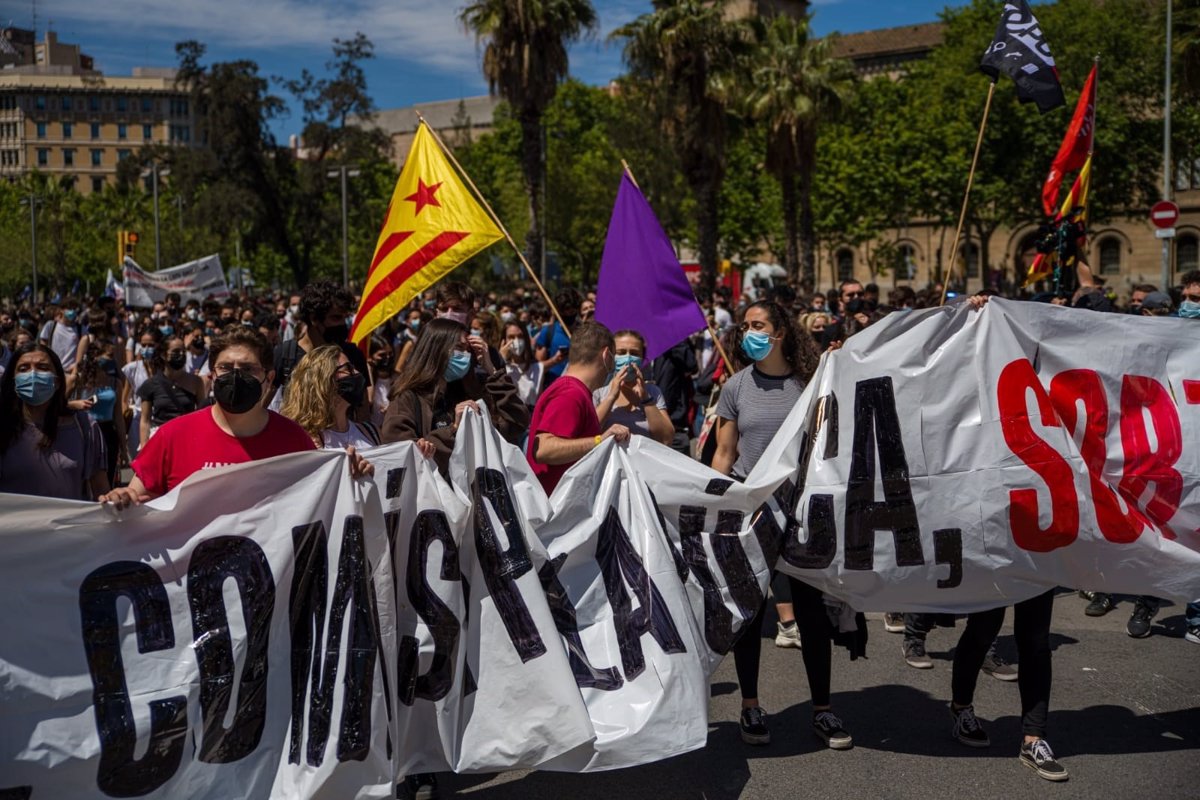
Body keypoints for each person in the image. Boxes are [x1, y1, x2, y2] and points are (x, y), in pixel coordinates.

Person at [710, 301, 853, 750]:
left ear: (780, 333)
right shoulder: (735, 387)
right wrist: (718, 506)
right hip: (751, 514)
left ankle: (823, 709)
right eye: (745, 325)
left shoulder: (810, 383)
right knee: (750, 616)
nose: (748, 332)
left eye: (758, 326)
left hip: (802, 513)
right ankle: (750, 704)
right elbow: (725, 455)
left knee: (811, 614)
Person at [100, 327, 372, 508]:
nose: (236, 375)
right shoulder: (173, 436)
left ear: (269, 378)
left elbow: (318, 504)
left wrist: (354, 480)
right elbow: (138, 495)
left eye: (248, 368)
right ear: (212, 376)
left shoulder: (293, 440)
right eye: (226, 368)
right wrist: (124, 498)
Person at [382, 318, 529, 476]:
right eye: (459, 348)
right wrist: (453, 430)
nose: (465, 355)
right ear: (437, 349)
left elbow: (516, 422)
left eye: (468, 350)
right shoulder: (406, 400)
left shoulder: (465, 393)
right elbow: (403, 459)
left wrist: (492, 370)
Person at [526, 321, 631, 495]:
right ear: (606, 355)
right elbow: (544, 449)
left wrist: (612, 395)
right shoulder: (570, 393)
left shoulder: (576, 391)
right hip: (555, 509)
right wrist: (600, 440)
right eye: (614, 358)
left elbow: (578, 432)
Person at [0, 343, 109, 500]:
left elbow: (101, 489)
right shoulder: (3, 426)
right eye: (23, 369)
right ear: (13, 381)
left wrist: (116, 498)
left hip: (69, 524)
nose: (33, 375)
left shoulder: (85, 426)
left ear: (57, 381)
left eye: (42, 367)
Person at [266, 280, 368, 415]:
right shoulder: (284, 355)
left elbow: (363, 408)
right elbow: (262, 407)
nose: (343, 324)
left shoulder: (352, 355)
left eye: (345, 318)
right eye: (336, 318)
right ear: (314, 318)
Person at [281, 344, 388, 451]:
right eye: (348, 369)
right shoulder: (307, 441)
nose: (357, 373)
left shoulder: (371, 432)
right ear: (324, 381)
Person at [592, 329, 674, 446]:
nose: (628, 358)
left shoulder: (653, 392)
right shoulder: (599, 393)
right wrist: (611, 397)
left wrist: (646, 399)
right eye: (621, 352)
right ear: (611, 355)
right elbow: (589, 435)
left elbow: (666, 439)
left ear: (643, 358)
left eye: (634, 353)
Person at [68, 340, 127, 488]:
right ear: (95, 357)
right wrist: (75, 404)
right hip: (84, 432)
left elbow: (118, 417)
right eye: (109, 355)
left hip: (108, 434)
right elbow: (58, 405)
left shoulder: (115, 383)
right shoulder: (77, 381)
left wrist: (124, 448)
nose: (112, 360)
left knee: (107, 478)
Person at [137, 336, 204, 446]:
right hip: (161, 441)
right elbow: (145, 420)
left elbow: (202, 415)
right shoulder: (150, 384)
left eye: (183, 351)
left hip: (187, 440)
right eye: (176, 351)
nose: (181, 355)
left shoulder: (196, 382)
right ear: (164, 355)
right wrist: (144, 448)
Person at [120, 328, 161, 457]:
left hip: (159, 421)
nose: (146, 348)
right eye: (143, 345)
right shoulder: (132, 368)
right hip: (138, 422)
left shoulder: (163, 369)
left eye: (151, 345)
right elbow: (124, 398)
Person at [534, 288, 580, 388]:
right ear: (558, 311)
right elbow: (537, 368)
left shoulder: (585, 332)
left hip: (577, 387)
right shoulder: (548, 332)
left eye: (572, 311)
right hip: (553, 388)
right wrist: (554, 360)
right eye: (565, 311)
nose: (569, 314)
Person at [500, 321, 543, 408]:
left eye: (520, 336)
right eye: (511, 337)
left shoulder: (537, 367)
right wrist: (501, 359)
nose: (516, 341)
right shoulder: (500, 366)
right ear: (504, 341)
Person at [38, 300, 82, 372]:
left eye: (74, 309)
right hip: (53, 370)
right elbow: (43, 346)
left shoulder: (80, 329)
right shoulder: (51, 325)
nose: (72, 311)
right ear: (61, 310)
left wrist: (76, 365)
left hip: (71, 372)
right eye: (69, 309)